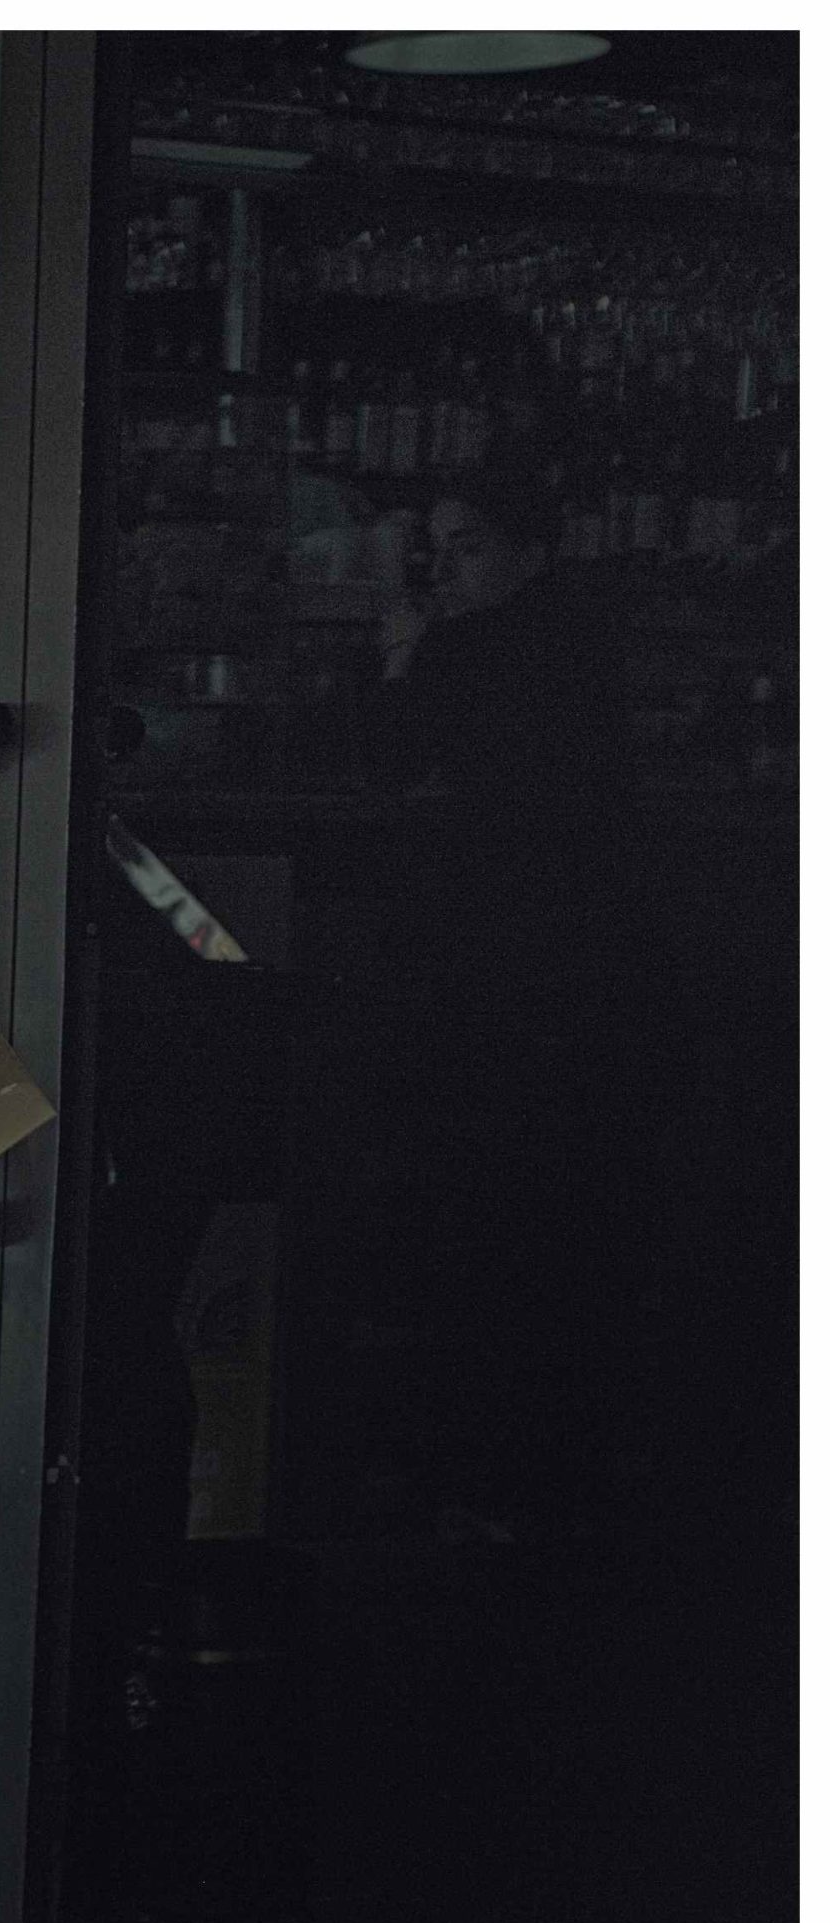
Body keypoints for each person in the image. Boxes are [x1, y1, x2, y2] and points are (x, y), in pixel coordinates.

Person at [369, 456, 641, 1542]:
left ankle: (482, 1476)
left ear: (530, 546)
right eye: (440, 547)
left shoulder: (490, 644)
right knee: (546, 1235)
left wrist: (400, 642)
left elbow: (389, 757)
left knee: (492, 1228)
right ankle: (533, 1480)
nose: (449, 566)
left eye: (467, 544)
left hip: (508, 978)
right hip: (580, 980)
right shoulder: (577, 635)